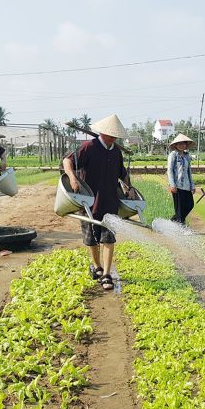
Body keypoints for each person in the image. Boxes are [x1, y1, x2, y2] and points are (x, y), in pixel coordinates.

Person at [62, 114, 130, 290]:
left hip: (110, 202)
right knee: (91, 239)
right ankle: (97, 267)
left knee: (109, 238)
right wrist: (73, 178)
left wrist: (128, 187)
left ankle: (107, 274)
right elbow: (67, 160)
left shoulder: (116, 151)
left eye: (116, 136)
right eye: (111, 134)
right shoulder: (88, 147)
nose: (113, 138)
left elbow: (123, 173)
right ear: (103, 133)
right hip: (88, 201)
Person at [166, 133, 196, 224]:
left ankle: (172, 222)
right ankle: (180, 226)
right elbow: (170, 170)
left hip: (186, 186)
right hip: (177, 186)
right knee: (179, 208)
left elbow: (189, 171)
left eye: (183, 143)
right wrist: (172, 185)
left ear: (186, 145)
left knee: (190, 205)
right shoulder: (173, 155)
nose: (181, 145)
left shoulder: (187, 156)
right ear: (175, 145)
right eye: (179, 143)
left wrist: (192, 185)